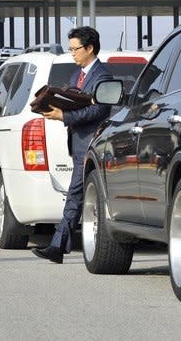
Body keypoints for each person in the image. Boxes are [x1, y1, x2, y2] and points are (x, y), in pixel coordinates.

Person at [32, 26, 113, 263]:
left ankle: (58, 246)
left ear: (89, 48)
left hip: (91, 144)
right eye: (70, 49)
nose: (72, 54)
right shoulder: (75, 75)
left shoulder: (103, 76)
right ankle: (60, 246)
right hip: (77, 144)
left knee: (76, 194)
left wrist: (64, 116)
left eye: (75, 49)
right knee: (77, 195)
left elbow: (100, 109)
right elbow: (74, 100)